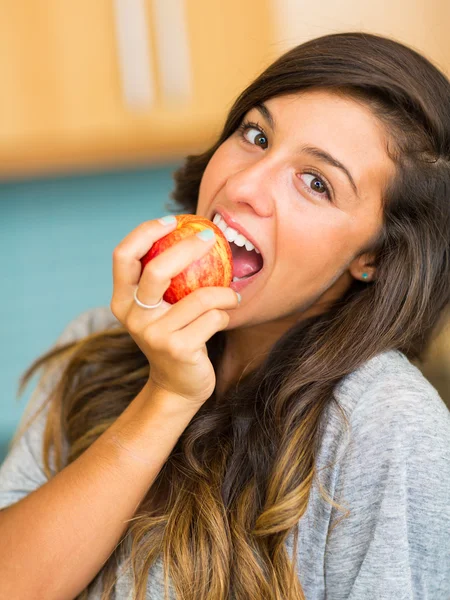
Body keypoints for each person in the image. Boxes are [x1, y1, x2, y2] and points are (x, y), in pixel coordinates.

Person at [0, 30, 449, 600]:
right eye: (256, 135)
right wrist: (166, 396)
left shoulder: (385, 423)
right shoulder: (96, 345)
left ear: (373, 258)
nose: (244, 184)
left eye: (316, 183)